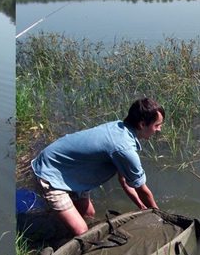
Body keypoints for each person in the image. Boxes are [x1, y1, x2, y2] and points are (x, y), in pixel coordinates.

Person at [30, 97, 164, 235]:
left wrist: (141, 206)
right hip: (49, 172)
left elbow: (124, 181)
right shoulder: (124, 149)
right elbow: (142, 190)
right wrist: (160, 217)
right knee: (82, 231)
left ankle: (60, 224)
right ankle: (51, 234)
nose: (159, 129)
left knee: (89, 215)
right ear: (142, 124)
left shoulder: (121, 129)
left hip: (74, 170)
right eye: (157, 125)